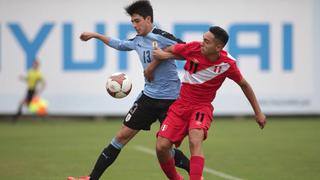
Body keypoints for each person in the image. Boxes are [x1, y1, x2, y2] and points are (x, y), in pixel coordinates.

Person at [67, 1, 190, 180]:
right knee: (120, 137)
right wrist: (95, 35)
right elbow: (120, 44)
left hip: (171, 100)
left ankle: (195, 174)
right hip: (148, 98)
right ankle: (91, 178)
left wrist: (161, 58)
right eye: (132, 21)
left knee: (165, 149)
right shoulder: (138, 40)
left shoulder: (162, 36)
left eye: (137, 21)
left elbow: (188, 51)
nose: (134, 25)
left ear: (148, 19)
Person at [149, 26, 267, 180]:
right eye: (203, 38)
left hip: (202, 107)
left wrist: (258, 112)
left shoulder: (227, 64)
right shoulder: (193, 47)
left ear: (218, 47)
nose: (202, 43)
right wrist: (164, 55)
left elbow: (244, 85)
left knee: (195, 138)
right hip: (180, 106)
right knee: (161, 147)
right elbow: (171, 49)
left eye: (206, 41)